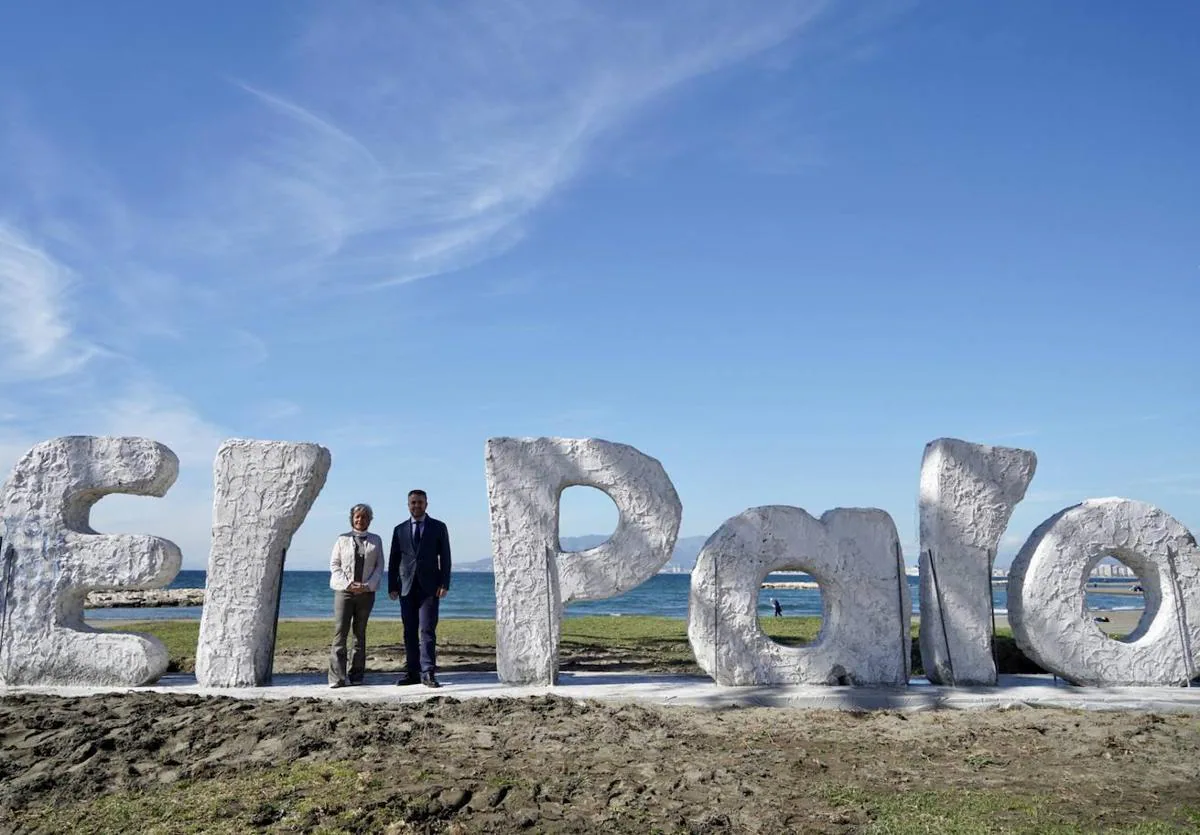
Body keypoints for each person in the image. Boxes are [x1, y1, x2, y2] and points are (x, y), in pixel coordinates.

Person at [389, 489, 452, 688]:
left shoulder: (438, 527)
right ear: (408, 505)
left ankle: (428, 672)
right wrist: (392, 585)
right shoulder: (399, 529)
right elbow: (393, 560)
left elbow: (446, 557)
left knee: (426, 630)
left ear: (426, 504)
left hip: (430, 588)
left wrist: (444, 583)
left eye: (420, 502)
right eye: (413, 503)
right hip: (406, 587)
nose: (416, 506)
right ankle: (412, 673)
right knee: (409, 631)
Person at [328, 503, 384, 688]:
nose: (361, 520)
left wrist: (367, 586)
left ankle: (357, 675)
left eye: (364, 517)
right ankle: (337, 677)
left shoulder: (376, 540)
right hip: (344, 593)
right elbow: (335, 565)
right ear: (352, 518)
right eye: (357, 516)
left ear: (370, 519)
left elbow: (379, 567)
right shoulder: (342, 539)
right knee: (340, 634)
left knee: (359, 634)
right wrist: (348, 584)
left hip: (366, 594)